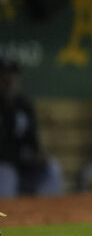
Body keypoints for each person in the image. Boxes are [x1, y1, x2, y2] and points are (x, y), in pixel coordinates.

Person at [0, 57, 63, 198]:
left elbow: (32, 141)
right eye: (3, 74)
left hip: (23, 165)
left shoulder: (24, 106)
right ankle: (7, 217)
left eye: (12, 74)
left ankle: (51, 215)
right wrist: (20, 159)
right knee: (7, 173)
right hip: (5, 166)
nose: (8, 79)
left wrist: (36, 156)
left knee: (52, 167)